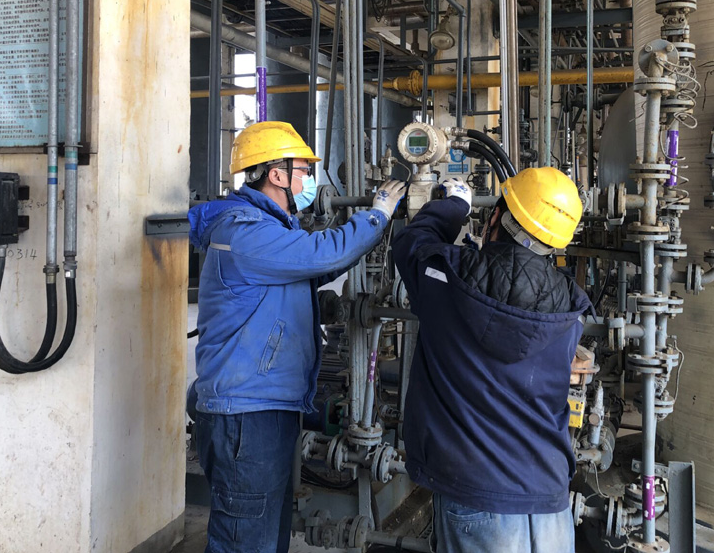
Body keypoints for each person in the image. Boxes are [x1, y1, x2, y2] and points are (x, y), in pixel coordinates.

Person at [188, 121, 405, 553]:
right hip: (246, 412)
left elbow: (313, 267)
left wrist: (356, 241)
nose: (308, 181)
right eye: (304, 171)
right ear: (276, 174)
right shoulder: (245, 232)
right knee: (244, 540)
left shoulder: (266, 230)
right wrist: (376, 215)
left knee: (266, 533)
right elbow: (321, 253)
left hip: (262, 405)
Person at [392, 167, 590, 553]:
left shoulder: (446, 276)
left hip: (475, 494)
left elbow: (411, 244)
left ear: (496, 216)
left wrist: (454, 206)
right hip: (549, 500)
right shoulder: (571, 311)